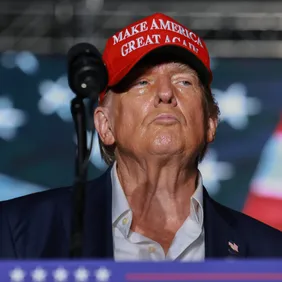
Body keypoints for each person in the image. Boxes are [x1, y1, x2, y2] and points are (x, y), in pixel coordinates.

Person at [1, 13, 282, 260]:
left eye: (183, 81)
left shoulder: (270, 253)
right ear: (105, 125)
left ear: (210, 123)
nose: (165, 93)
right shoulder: (17, 232)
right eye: (141, 82)